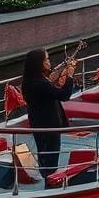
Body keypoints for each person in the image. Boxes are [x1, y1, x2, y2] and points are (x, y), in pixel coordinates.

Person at [21, 48, 77, 177]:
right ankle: (50, 179)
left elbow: (46, 89)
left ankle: (46, 174)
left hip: (37, 123)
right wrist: (69, 75)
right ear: (39, 63)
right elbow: (64, 95)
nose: (48, 61)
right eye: (46, 59)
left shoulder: (29, 80)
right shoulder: (40, 83)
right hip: (49, 125)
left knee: (43, 152)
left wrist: (53, 78)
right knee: (51, 155)